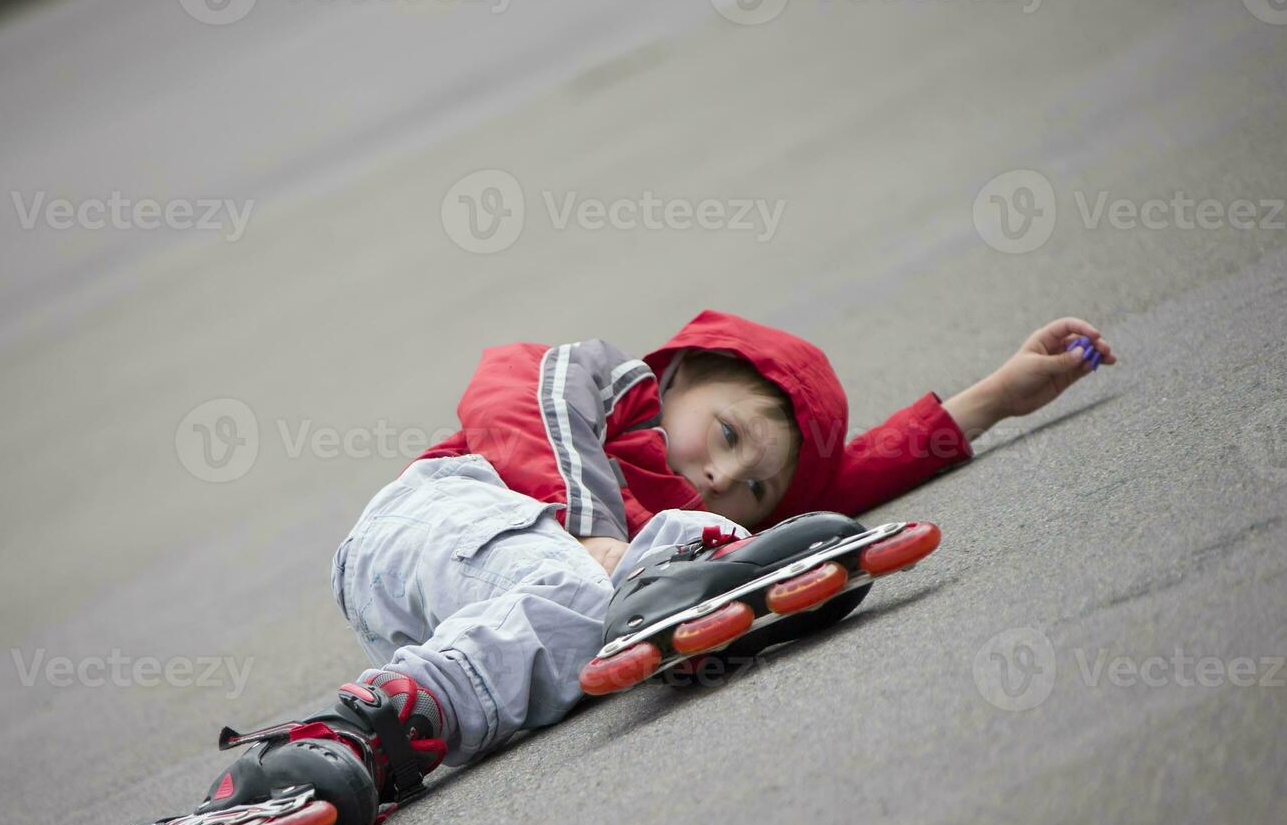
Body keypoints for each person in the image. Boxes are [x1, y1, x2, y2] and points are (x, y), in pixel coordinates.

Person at [327, 310, 1117, 767]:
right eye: (728, 434)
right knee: (599, 578)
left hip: (465, 609)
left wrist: (994, 399)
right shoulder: (600, 385)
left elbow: (836, 493)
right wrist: (595, 531)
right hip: (435, 517)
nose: (723, 475)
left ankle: (400, 726)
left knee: (594, 620)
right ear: (679, 378)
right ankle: (397, 709)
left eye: (756, 484)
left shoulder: (702, 508)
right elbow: (512, 403)